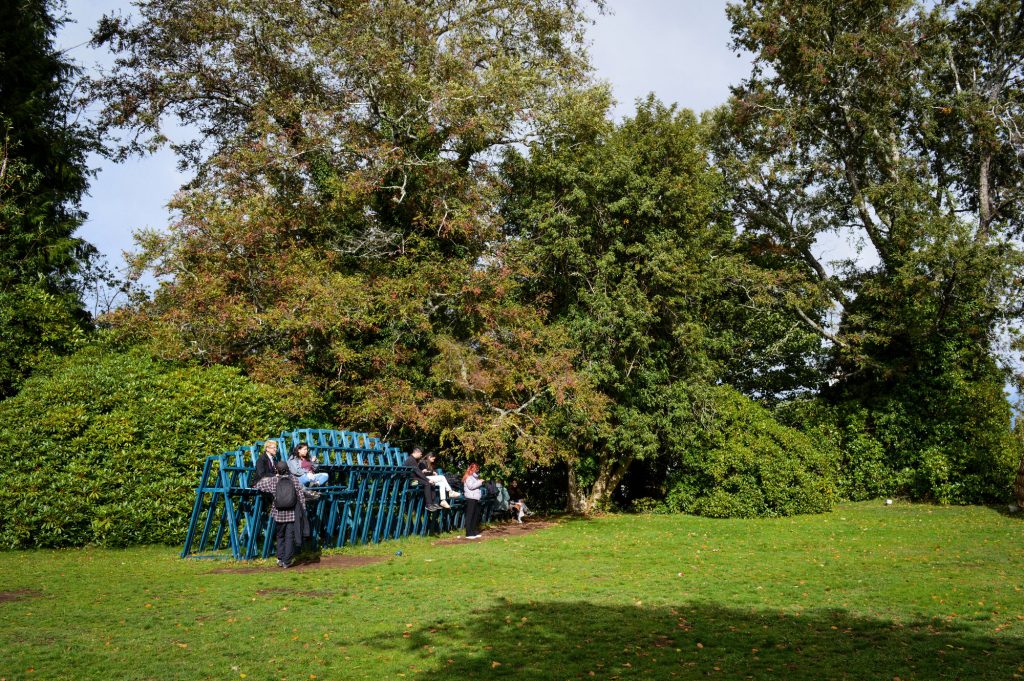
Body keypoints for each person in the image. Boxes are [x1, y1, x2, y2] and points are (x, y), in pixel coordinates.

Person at [252, 461, 319, 568]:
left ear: (277, 470)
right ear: (287, 469)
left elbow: (258, 485)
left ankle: (280, 558)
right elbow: (300, 496)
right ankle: (286, 561)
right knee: (290, 536)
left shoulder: (273, 480)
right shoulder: (294, 479)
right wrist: (302, 510)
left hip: (278, 513)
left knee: (280, 535)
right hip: (292, 512)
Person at [403, 446, 438, 511]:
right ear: (417, 452)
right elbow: (418, 472)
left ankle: (433, 503)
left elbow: (418, 473)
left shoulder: (413, 460)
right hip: (410, 482)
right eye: (421, 454)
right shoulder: (411, 460)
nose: (421, 456)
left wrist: (428, 480)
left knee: (431, 483)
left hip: (415, 479)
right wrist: (428, 480)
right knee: (427, 483)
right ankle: (428, 505)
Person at [462, 462, 483, 539]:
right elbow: (471, 486)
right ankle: (468, 533)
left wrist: (478, 481)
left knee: (475, 515)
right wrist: (480, 482)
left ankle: (473, 532)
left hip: (475, 498)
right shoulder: (468, 476)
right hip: (471, 497)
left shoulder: (474, 477)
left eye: (478, 468)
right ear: (472, 468)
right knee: (470, 515)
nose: (477, 470)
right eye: (476, 468)